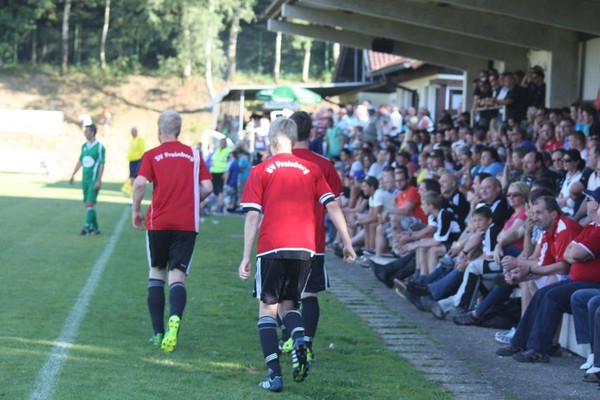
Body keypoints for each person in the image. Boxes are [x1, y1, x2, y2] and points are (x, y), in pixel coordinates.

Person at [238, 117, 356, 392]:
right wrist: (348, 242)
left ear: (271, 139)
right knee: (289, 305)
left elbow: (253, 216)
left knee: (267, 309)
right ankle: (300, 337)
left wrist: (245, 256)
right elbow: (333, 205)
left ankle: (274, 376)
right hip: (305, 248)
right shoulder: (312, 169)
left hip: (272, 246)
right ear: (294, 139)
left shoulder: (261, 170)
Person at [131, 109, 213, 352]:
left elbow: (139, 183)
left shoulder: (152, 155)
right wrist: (193, 201)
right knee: (177, 275)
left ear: (159, 131)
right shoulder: (194, 155)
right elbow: (208, 187)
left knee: (157, 272)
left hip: (159, 222)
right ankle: (174, 320)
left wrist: (136, 210)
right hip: (186, 223)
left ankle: (158, 333)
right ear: (179, 131)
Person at [275, 111, 345, 361]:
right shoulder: (323, 164)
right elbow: (336, 203)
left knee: (283, 293)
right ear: (312, 132)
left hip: (280, 238)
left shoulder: (279, 161)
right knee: (308, 294)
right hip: (313, 240)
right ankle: (306, 344)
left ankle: (288, 338)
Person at [69, 124, 105, 236]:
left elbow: (102, 164)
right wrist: (73, 175)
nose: (85, 133)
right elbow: (81, 161)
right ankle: (96, 228)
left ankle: (86, 229)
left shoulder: (100, 147)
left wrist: (98, 180)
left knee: (89, 204)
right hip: (85, 180)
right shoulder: (84, 146)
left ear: (93, 133)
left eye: (87, 131)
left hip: (94, 180)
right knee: (89, 205)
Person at [209, 137, 232, 213]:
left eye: (223, 142)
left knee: (220, 190)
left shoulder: (228, 151)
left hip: (221, 173)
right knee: (215, 190)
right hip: (214, 172)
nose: (221, 144)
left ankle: (219, 205)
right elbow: (212, 160)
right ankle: (217, 205)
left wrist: (226, 172)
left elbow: (229, 163)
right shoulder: (217, 150)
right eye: (221, 142)